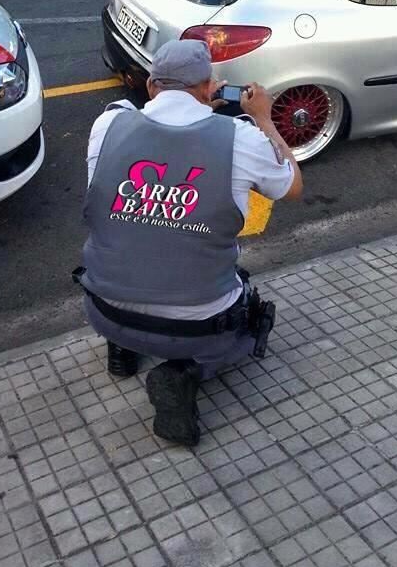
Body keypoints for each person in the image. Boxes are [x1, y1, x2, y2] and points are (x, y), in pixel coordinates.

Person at [75, 39, 303, 447]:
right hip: (200, 330)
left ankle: (122, 352)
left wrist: (200, 114)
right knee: (250, 322)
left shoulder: (108, 124)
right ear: (208, 87)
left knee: (136, 245)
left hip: (103, 309)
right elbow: (292, 186)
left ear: (150, 86)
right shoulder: (240, 138)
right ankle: (183, 375)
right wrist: (264, 120)